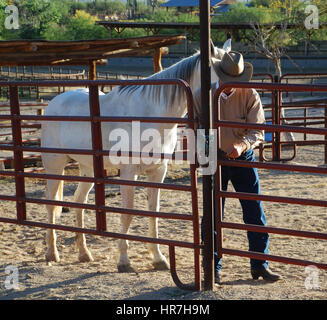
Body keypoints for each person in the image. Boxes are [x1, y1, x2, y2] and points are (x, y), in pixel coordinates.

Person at [194, 51, 282, 284]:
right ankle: (212, 266)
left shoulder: (250, 94)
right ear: (220, 75)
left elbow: (258, 131)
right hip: (214, 156)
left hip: (243, 157)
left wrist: (242, 145)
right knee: (212, 215)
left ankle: (259, 263)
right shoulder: (203, 94)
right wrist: (207, 152)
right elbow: (195, 126)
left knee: (254, 210)